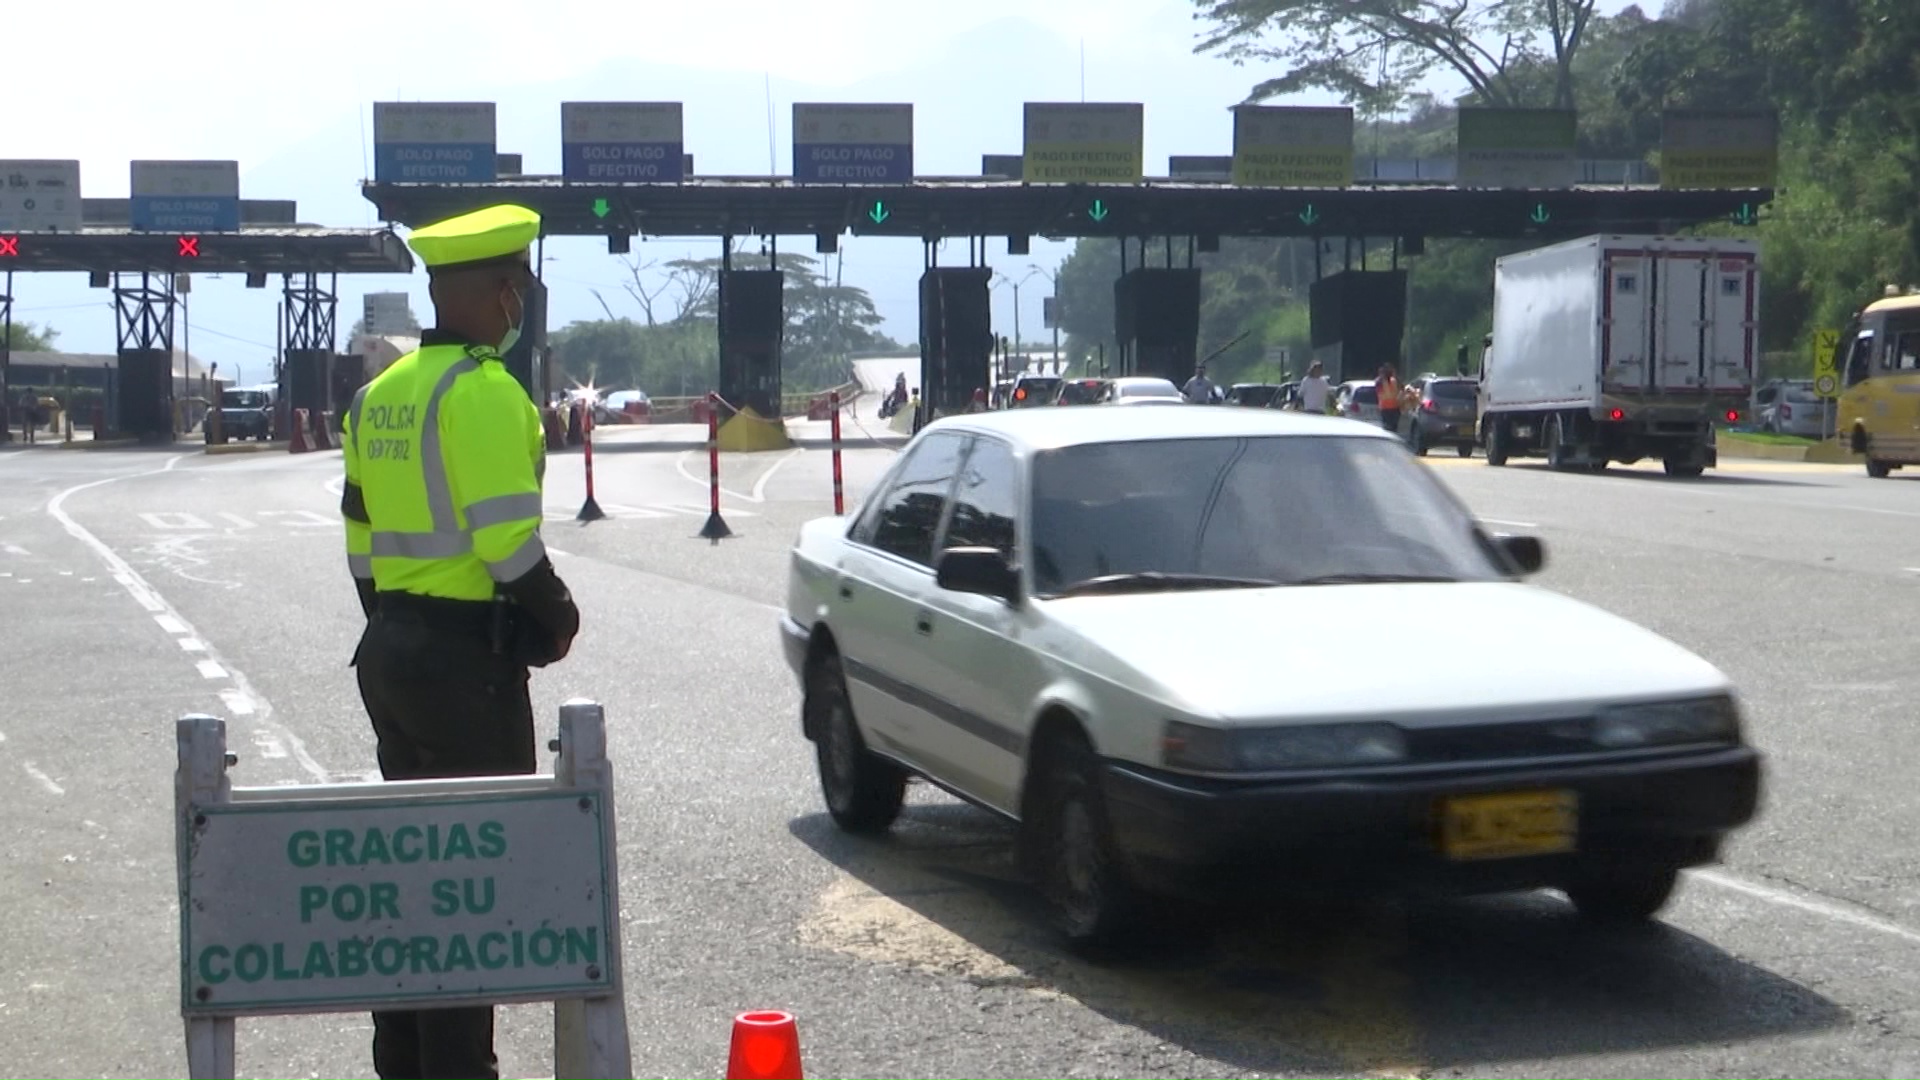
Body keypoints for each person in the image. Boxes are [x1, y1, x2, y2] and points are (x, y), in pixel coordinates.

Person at [338, 203, 581, 1080]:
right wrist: (556, 617)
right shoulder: (483, 393)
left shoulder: (379, 395)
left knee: (414, 880)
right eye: (514, 289)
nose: (518, 304)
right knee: (472, 885)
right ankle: (458, 1071)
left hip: (391, 651)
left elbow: (360, 537)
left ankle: (402, 1063)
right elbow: (506, 543)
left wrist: (394, 619)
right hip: (461, 669)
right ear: (501, 293)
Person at [1375, 363, 1403, 434]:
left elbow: (1387, 395)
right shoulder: (1381, 382)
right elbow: (1393, 394)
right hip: (1391, 408)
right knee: (1392, 429)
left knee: (1389, 429)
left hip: (1388, 408)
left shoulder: (1384, 381)